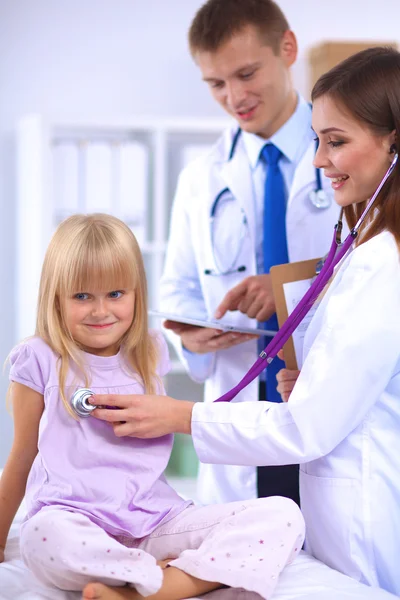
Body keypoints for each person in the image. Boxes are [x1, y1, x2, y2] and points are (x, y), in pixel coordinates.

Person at [89, 47, 400, 596]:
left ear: (394, 143)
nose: (319, 161)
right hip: (336, 498)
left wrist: (179, 415)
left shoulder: (382, 263)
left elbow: (303, 428)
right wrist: (317, 383)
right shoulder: (363, 247)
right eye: (317, 140)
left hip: (364, 524)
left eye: (337, 141)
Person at [0, 213, 304, 600]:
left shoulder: (150, 349)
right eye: (82, 296)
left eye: (115, 294)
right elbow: (21, 455)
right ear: (54, 295)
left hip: (157, 520)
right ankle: (170, 578)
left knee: (282, 515)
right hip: (75, 518)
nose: (100, 311)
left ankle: (150, 587)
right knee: (43, 539)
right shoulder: (39, 357)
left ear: (136, 294)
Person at [159, 0, 341, 506]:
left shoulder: (349, 153)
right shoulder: (200, 178)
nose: (234, 97)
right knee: (239, 560)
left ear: (287, 49)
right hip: (239, 399)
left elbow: (379, 262)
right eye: (216, 84)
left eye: (246, 73)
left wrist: (287, 286)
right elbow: (179, 290)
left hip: (327, 393)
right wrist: (193, 337)